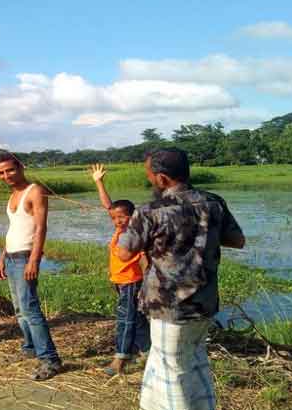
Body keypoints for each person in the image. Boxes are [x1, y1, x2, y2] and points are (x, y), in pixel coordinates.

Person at [114, 148, 245, 410]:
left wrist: (130, 229)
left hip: (169, 305)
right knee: (193, 361)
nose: (150, 180)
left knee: (172, 370)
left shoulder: (151, 211)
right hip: (205, 302)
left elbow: (124, 251)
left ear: (162, 179)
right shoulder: (214, 202)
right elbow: (237, 240)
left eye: (150, 175)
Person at [0, 152, 63, 381]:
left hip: (25, 257)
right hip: (12, 257)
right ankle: (29, 347)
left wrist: (34, 259)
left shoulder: (35, 191)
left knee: (30, 309)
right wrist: (2, 257)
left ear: (21, 167)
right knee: (19, 309)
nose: (6, 176)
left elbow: (41, 228)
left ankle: (50, 359)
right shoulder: (13, 194)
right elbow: (14, 228)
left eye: (10, 170)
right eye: (1, 173)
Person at [89, 164, 150, 376]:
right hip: (121, 282)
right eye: (114, 218)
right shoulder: (120, 227)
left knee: (126, 318)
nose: (116, 221)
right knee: (138, 317)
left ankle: (121, 358)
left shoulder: (134, 233)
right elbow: (109, 206)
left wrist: (146, 285)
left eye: (121, 217)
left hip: (132, 282)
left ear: (132, 216)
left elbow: (145, 261)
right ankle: (147, 352)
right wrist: (99, 181)